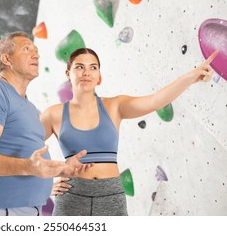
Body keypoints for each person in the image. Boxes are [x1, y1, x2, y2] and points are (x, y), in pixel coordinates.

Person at [41, 48, 218, 216]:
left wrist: (190, 77)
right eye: (79, 67)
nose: (86, 72)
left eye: (93, 67)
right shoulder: (53, 114)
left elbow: (155, 100)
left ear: (98, 76)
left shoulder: (115, 106)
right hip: (71, 197)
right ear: (68, 73)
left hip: (110, 195)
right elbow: (20, 152)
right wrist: (43, 187)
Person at [0, 31, 92, 216]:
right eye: (27, 49)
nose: (36, 54)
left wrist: (61, 168)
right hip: (4, 210)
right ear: (7, 59)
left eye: (36, 50)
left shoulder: (30, 107)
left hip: (26, 208)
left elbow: (29, 159)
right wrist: (30, 167)